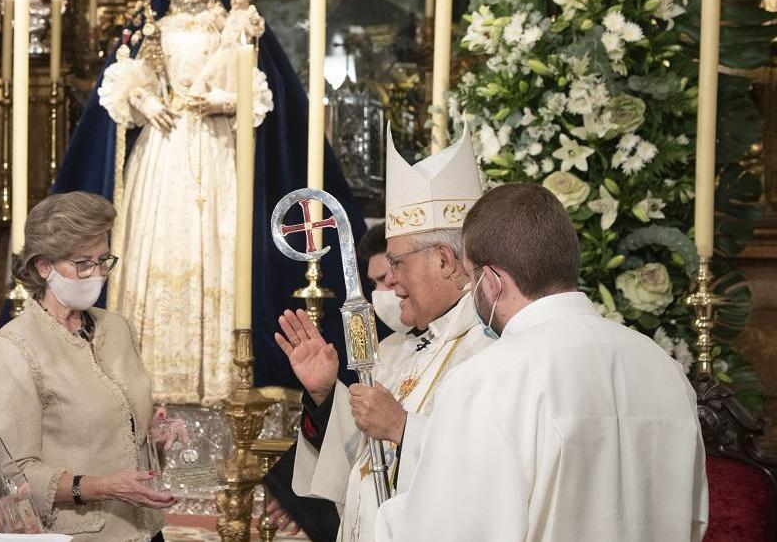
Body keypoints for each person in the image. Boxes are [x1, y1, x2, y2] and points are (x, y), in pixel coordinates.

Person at [48, 0, 366, 402]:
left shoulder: (234, 26)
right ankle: (143, 381)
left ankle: (223, 379)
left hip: (218, 152)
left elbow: (259, 94)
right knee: (155, 249)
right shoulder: (154, 25)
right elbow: (124, 78)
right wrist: (148, 100)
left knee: (220, 245)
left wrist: (221, 101)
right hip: (164, 151)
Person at [371, 183, 709, 540]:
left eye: (471, 276)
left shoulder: (486, 381)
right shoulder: (665, 369)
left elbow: (445, 532)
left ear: (492, 281)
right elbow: (694, 519)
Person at [284, 128, 493, 542]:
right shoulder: (396, 348)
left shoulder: (491, 350)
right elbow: (360, 463)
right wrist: (326, 397)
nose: (390, 282)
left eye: (397, 263)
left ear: (446, 261)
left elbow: (494, 476)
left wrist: (402, 426)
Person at [0, 192, 179, 542]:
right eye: (83, 263)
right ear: (44, 266)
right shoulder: (12, 348)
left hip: (146, 530)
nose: (98, 273)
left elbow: (123, 432)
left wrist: (156, 438)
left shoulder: (117, 328)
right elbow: (14, 474)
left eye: (104, 260)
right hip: (78, 535)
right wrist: (103, 487)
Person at [261, 224, 395, 542]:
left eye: (390, 276)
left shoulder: (473, 350)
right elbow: (365, 441)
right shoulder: (392, 350)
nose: (389, 291)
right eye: (375, 282)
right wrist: (324, 392)